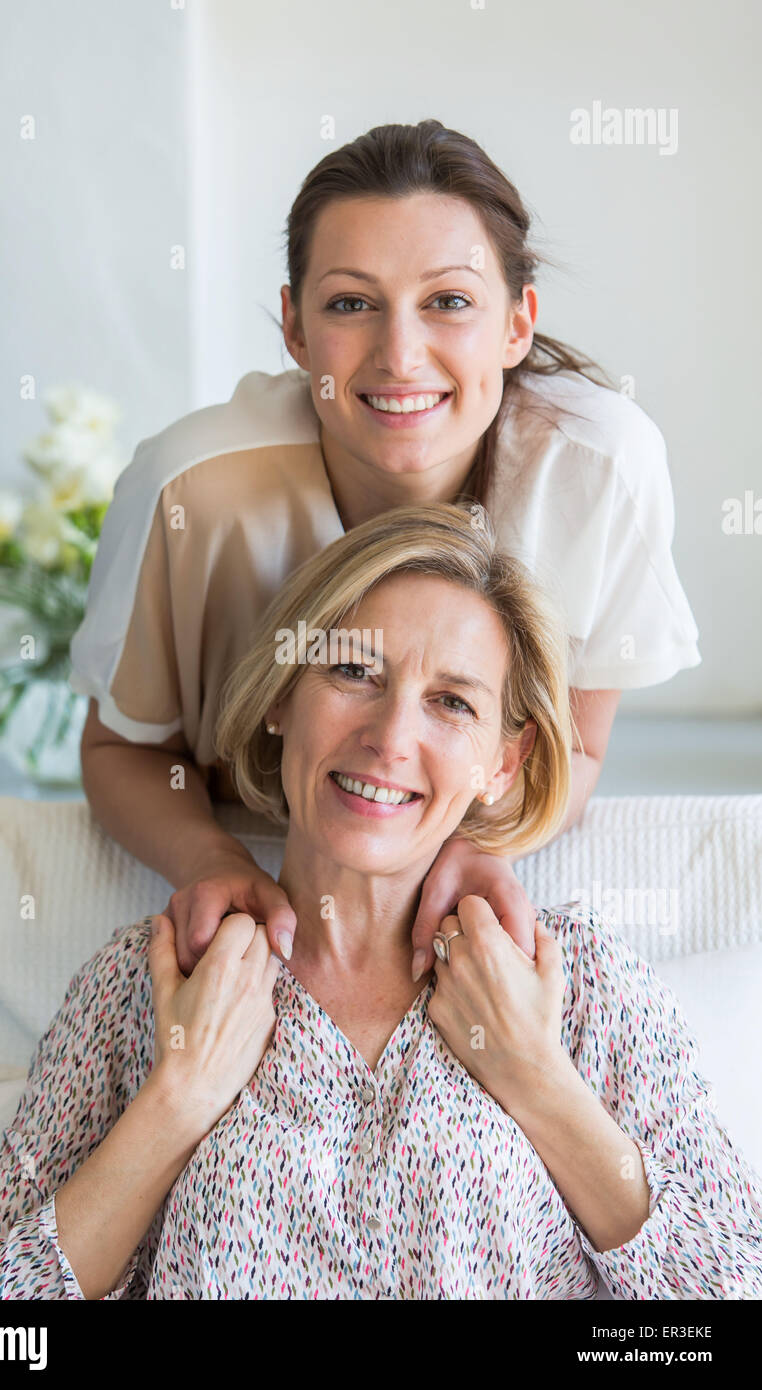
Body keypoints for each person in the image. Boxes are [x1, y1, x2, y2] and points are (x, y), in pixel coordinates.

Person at [0, 505, 757, 1301]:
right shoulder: (151, 983)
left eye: (452, 702)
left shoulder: (580, 988)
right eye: (355, 671)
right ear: (283, 695)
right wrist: (176, 1104)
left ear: (503, 762)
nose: (391, 737)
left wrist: (539, 1082)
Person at [70, 118, 701, 977]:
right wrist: (211, 863)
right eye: (351, 303)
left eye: (448, 302)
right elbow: (121, 751)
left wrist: (480, 850)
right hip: (250, 891)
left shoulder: (601, 472)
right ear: (294, 329)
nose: (401, 357)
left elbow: (575, 750)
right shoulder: (191, 492)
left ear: (518, 324)